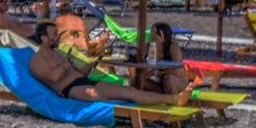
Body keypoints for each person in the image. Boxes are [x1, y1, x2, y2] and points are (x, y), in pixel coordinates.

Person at [26, 23, 194, 107]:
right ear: (44, 38)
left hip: (84, 81)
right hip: (70, 89)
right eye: (54, 34)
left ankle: (173, 99)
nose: (58, 36)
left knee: (130, 92)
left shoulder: (58, 53)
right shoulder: (37, 59)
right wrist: (66, 60)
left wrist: (95, 60)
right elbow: (54, 77)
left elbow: (80, 72)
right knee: (106, 99)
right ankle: (165, 101)